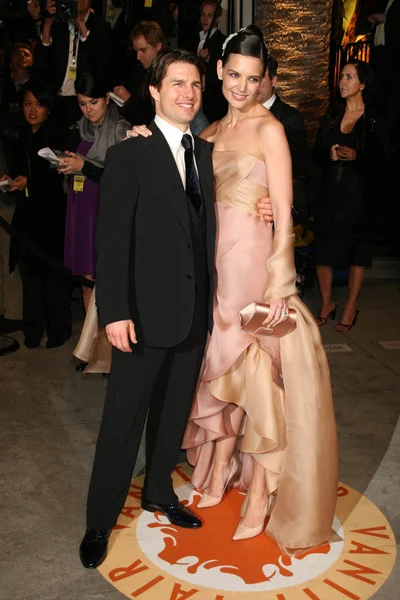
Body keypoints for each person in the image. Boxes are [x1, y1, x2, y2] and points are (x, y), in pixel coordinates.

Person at [181, 26, 338, 555]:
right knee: (218, 364)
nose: (242, 88)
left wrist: (279, 283)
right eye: (233, 76)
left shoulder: (271, 130)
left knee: (253, 368)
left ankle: (260, 495)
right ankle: (222, 461)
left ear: (263, 77)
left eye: (252, 79)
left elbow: (287, 214)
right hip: (215, 269)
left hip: (253, 266)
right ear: (219, 71)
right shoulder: (206, 134)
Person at [79, 48, 217, 570]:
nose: (189, 93)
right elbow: (111, 242)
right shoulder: (129, 153)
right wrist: (114, 311)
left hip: (191, 314)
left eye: (196, 85)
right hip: (138, 316)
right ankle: (98, 520)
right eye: (177, 83)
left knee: (170, 416)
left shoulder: (203, 153)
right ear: (155, 92)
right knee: (122, 422)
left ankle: (158, 490)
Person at [58, 71, 130, 368]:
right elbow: (81, 164)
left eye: (93, 103)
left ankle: (110, 355)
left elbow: (120, 178)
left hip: (106, 213)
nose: (88, 109)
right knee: (87, 283)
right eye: (82, 103)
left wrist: (83, 167)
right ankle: (90, 349)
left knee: (108, 283)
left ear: (106, 99)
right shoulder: (81, 128)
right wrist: (65, 165)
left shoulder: (121, 128)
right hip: (81, 211)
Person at [1, 80, 71, 348]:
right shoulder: (20, 134)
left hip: (51, 213)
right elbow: (21, 170)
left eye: (39, 105)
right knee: (28, 274)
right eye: (28, 104)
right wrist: (12, 180)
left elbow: (56, 175)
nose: (33, 109)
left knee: (52, 275)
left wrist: (29, 181)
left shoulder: (57, 134)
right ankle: (32, 330)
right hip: (27, 213)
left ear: (48, 108)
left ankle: (59, 330)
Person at [313, 60, 382, 331]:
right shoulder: (331, 114)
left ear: (362, 84)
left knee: (358, 253)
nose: (343, 82)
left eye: (349, 77)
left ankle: (351, 306)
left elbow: (383, 162)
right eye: (342, 76)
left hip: (359, 199)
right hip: (331, 195)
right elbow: (316, 154)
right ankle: (327, 303)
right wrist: (328, 154)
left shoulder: (373, 120)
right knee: (324, 251)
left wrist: (358, 156)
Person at [32, 0, 113, 127]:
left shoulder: (101, 26)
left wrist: (81, 25)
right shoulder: (58, 25)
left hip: (85, 101)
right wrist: (47, 24)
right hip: (56, 99)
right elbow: (41, 62)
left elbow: (102, 62)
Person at [257, 54, 312, 221]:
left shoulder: (290, 118)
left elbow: (296, 165)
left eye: (262, 78)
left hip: (278, 204)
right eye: (253, 78)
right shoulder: (241, 115)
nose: (256, 84)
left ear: (274, 81)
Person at [113, 21, 167, 126]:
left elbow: (154, 117)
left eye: (143, 50)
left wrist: (129, 100)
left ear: (158, 46)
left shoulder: (168, 75)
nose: (138, 57)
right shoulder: (140, 71)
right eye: (136, 51)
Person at [196, 0, 227, 123]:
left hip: (213, 103)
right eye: (203, 15)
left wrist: (209, 59)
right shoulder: (196, 38)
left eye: (209, 15)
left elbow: (223, 73)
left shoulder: (222, 41)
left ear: (217, 19)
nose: (205, 19)